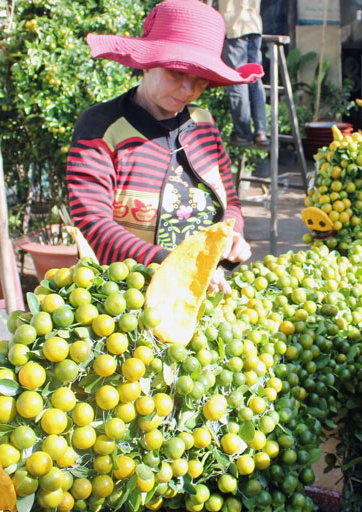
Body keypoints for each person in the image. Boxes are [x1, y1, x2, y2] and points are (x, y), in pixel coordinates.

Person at [68, 0, 263, 293]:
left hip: (200, 291)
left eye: (200, 80)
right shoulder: (101, 127)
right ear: (147, 63)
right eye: (176, 73)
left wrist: (231, 233)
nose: (188, 90)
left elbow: (230, 203)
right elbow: (92, 224)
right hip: (121, 303)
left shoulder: (204, 125)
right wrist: (171, 263)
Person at [219, 0, 267, 147]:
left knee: (238, 81)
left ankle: (243, 133)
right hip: (254, 25)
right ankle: (261, 133)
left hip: (234, 25)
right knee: (255, 81)